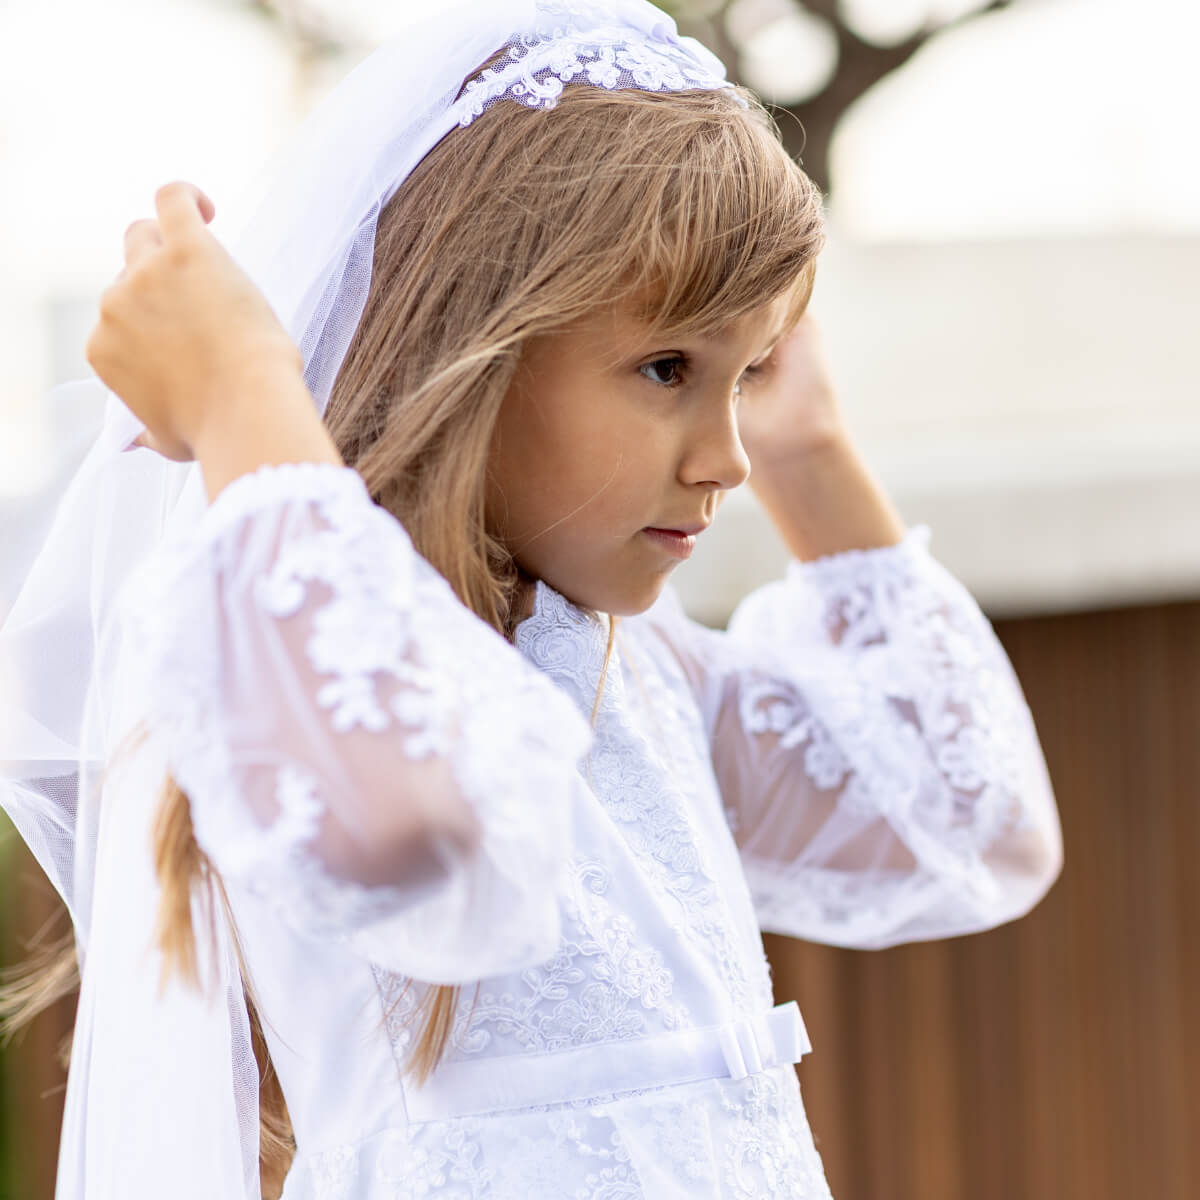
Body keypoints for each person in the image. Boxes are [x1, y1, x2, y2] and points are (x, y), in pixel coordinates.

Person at [0, 2, 1063, 1197]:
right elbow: (412, 833)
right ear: (476, 347)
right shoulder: (290, 660)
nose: (729, 459)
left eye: (746, 372)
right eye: (667, 368)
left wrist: (808, 440)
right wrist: (249, 399)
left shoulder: (632, 671)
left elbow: (970, 821)